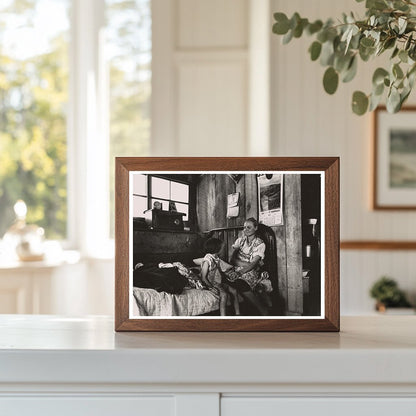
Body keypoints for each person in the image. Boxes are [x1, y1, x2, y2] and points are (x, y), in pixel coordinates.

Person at [227, 217, 269, 316]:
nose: (245, 230)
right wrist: (242, 263)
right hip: (237, 268)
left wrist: (240, 270)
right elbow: (231, 259)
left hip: (250, 271)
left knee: (240, 282)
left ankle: (262, 309)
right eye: (244, 227)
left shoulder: (260, 244)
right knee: (225, 279)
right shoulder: (240, 240)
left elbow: (253, 264)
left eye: (249, 227)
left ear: (256, 228)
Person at [199, 237, 240, 316]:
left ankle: (238, 314)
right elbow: (203, 277)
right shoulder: (207, 261)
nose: (223, 249)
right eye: (222, 248)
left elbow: (222, 269)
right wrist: (211, 287)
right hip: (210, 283)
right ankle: (223, 317)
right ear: (216, 249)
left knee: (234, 291)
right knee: (224, 295)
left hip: (217, 282)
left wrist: (230, 274)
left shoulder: (216, 258)